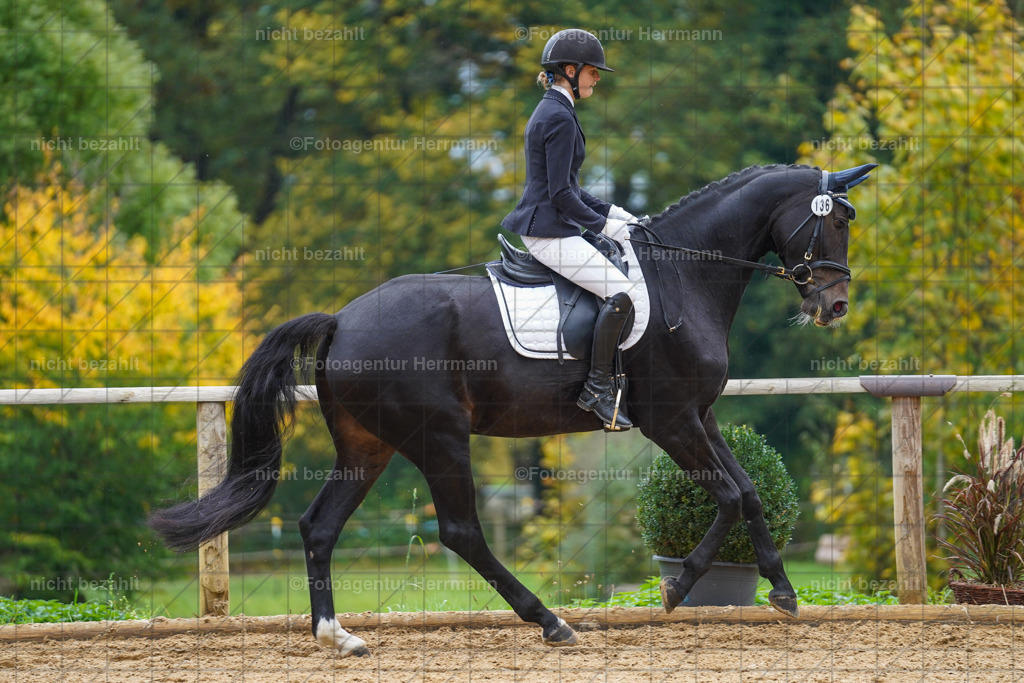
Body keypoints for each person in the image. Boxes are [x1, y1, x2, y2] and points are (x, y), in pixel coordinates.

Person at [501, 28, 639, 431]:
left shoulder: (556, 109)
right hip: (548, 232)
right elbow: (562, 195)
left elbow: (571, 187)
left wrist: (617, 213)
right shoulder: (558, 117)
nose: (598, 78)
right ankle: (596, 388)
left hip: (551, 224)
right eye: (593, 71)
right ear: (570, 70)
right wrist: (605, 227)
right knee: (622, 292)